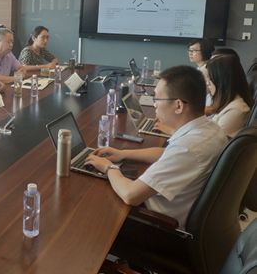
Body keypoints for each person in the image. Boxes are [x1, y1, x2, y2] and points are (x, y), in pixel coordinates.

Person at [85, 65, 227, 230]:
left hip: (156, 224)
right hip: (179, 214)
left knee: (91, 200)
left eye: (158, 99)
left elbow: (130, 195)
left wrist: (108, 167)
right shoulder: (210, 129)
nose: (155, 105)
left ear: (178, 106)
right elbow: (167, 153)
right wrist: (123, 154)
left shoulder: (187, 148)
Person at [205, 55, 253, 138]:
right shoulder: (227, 103)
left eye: (210, 78)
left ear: (223, 80)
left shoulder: (236, 110)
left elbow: (214, 141)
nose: (207, 84)